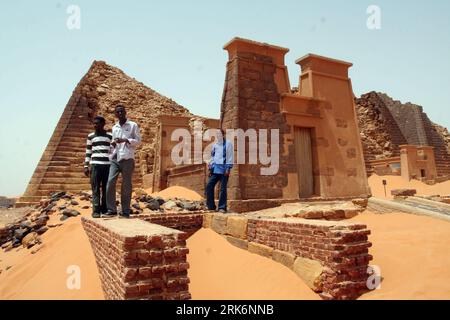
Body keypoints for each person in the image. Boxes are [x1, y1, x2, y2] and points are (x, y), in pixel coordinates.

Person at [105, 105, 141, 218]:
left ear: (125, 112)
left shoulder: (133, 125)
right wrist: (113, 144)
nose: (120, 113)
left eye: (121, 111)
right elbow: (113, 142)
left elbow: (138, 141)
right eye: (117, 112)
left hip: (127, 158)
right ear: (115, 114)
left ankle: (125, 211)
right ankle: (112, 209)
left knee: (126, 185)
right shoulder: (114, 127)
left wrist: (126, 140)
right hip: (115, 158)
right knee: (110, 182)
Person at [84, 116, 112, 218]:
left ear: (103, 124)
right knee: (95, 188)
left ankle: (104, 209)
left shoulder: (109, 136)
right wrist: (86, 166)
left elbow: (112, 152)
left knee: (105, 189)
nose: (95, 125)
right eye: (94, 123)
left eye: (97, 123)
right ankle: (96, 211)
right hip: (95, 165)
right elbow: (88, 152)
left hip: (107, 166)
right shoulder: (90, 136)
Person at [206, 128, 233, 213]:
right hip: (215, 169)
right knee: (209, 186)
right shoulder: (215, 145)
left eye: (219, 134)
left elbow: (230, 157)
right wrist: (210, 168)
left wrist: (228, 168)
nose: (218, 135)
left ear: (223, 135)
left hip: (224, 170)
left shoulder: (228, 144)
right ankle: (211, 206)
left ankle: (222, 207)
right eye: (217, 134)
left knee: (222, 189)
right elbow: (213, 157)